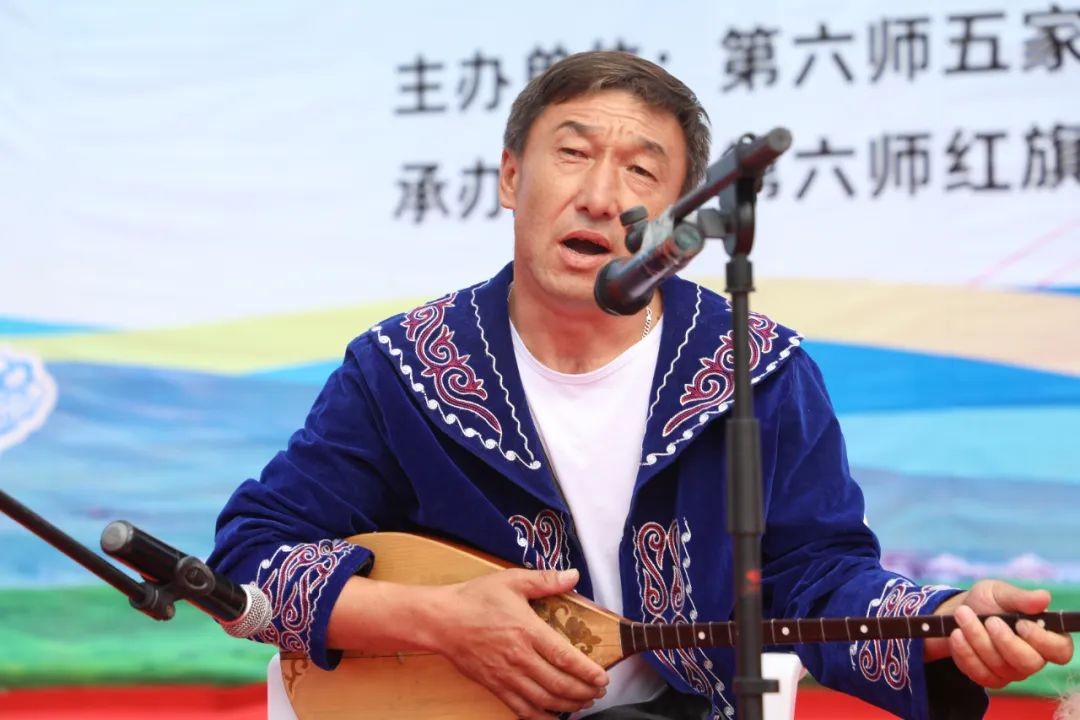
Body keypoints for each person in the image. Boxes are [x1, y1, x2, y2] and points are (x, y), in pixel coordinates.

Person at [207, 51, 1073, 720]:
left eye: (640, 172)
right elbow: (250, 560)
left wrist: (944, 621)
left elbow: (814, 575)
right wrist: (442, 622)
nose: (597, 195)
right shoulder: (403, 366)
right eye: (572, 154)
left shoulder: (755, 369)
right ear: (511, 177)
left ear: (678, 219)